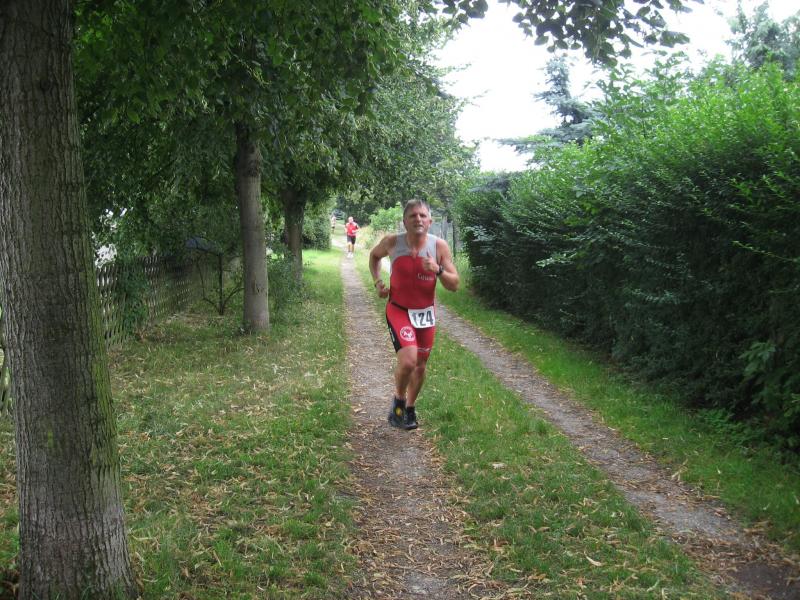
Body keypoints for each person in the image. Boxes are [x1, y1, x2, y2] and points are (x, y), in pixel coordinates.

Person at [368, 199, 459, 430]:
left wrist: (438, 270)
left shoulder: (439, 247)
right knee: (408, 361)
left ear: (430, 221)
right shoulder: (392, 242)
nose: (418, 219)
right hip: (399, 310)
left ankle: (409, 409)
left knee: (420, 366)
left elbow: (454, 284)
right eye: (413, 215)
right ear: (404, 221)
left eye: (422, 215)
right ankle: (398, 400)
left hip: (425, 314)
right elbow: (374, 256)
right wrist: (378, 282)